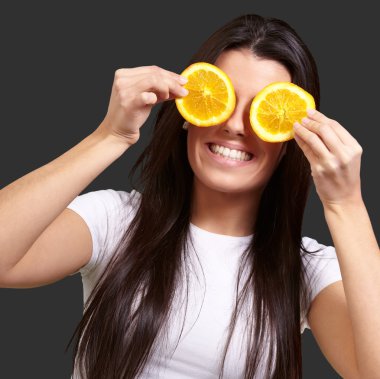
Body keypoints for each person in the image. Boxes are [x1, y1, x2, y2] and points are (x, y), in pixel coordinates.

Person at [0, 13, 378, 379]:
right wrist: (109, 137)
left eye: (261, 111)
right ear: (187, 111)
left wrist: (346, 205)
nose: (233, 125)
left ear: (289, 143)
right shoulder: (116, 221)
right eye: (222, 100)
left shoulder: (306, 271)